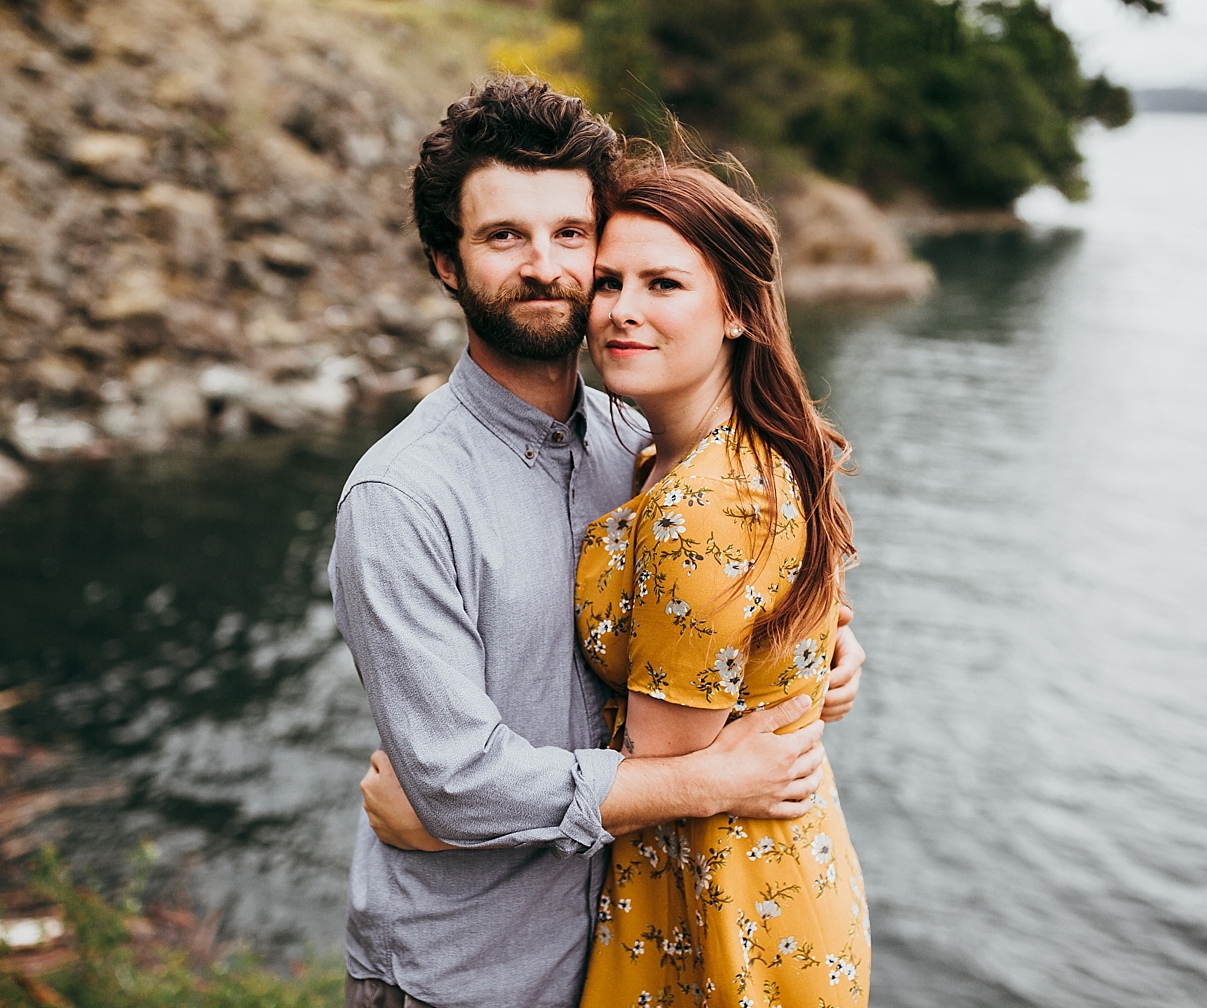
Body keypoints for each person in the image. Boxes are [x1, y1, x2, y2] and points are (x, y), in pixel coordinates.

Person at [330, 77, 865, 1008]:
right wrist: (707, 780)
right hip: (469, 975)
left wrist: (821, 652)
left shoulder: (640, 446)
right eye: (503, 236)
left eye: (571, 236)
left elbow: (728, 594)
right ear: (445, 263)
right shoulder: (401, 496)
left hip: (636, 951)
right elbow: (459, 781)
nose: (546, 266)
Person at [572, 152, 869, 1007]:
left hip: (720, 924)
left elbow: (658, 773)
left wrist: (445, 820)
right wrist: (831, 655)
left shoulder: (699, 506)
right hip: (770, 888)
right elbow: (800, 625)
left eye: (663, 284)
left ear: (738, 310)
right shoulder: (696, 459)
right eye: (607, 283)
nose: (622, 311)